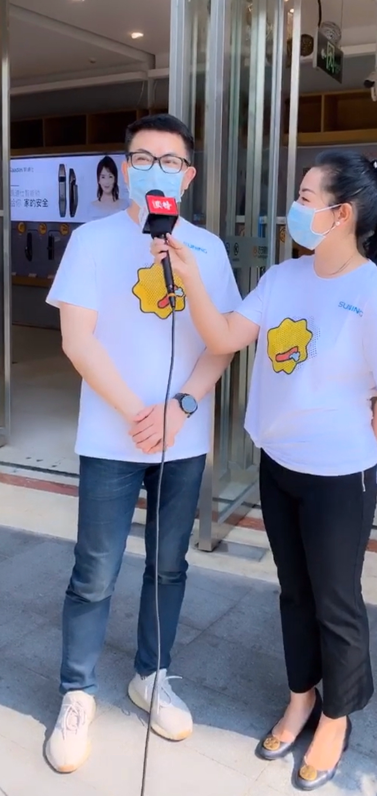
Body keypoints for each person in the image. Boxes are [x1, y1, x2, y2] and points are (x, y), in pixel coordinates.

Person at [151, 150, 377, 791]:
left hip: (340, 480)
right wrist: (188, 278)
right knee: (294, 591)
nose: (293, 209)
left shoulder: (373, 297)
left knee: (335, 601)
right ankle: (302, 696)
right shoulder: (283, 277)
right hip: (279, 466)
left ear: (341, 214)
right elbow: (223, 337)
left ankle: (336, 716)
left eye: (304, 197)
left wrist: (351, 442)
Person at [44, 113, 241, 773]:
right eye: (144, 159)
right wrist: (138, 413)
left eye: (170, 161)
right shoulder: (92, 241)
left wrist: (179, 408)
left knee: (168, 565)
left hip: (181, 438)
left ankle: (152, 674)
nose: (156, 170)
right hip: (112, 437)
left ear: (188, 175)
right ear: (127, 168)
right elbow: (77, 340)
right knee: (95, 570)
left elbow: (221, 342)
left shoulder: (207, 248)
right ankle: (77, 692)